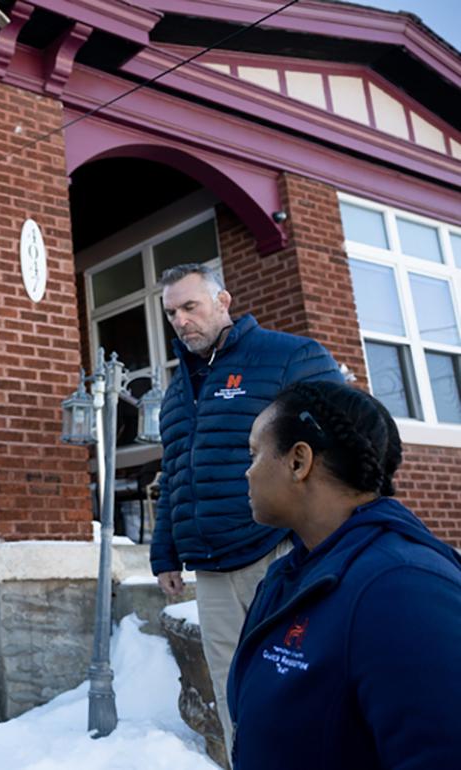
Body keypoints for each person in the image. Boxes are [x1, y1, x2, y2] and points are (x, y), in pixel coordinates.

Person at [149, 263, 344, 757]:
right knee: (232, 693)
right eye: (171, 312)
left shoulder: (287, 356)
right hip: (212, 567)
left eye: (190, 306)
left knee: (295, 684)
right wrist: (165, 551)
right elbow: (175, 473)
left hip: (277, 552)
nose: (180, 320)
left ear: (223, 301)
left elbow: (346, 439)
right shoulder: (176, 393)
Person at [229, 381, 461, 769]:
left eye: (254, 453)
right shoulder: (290, 574)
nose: (247, 472)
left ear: (298, 461)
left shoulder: (402, 588)